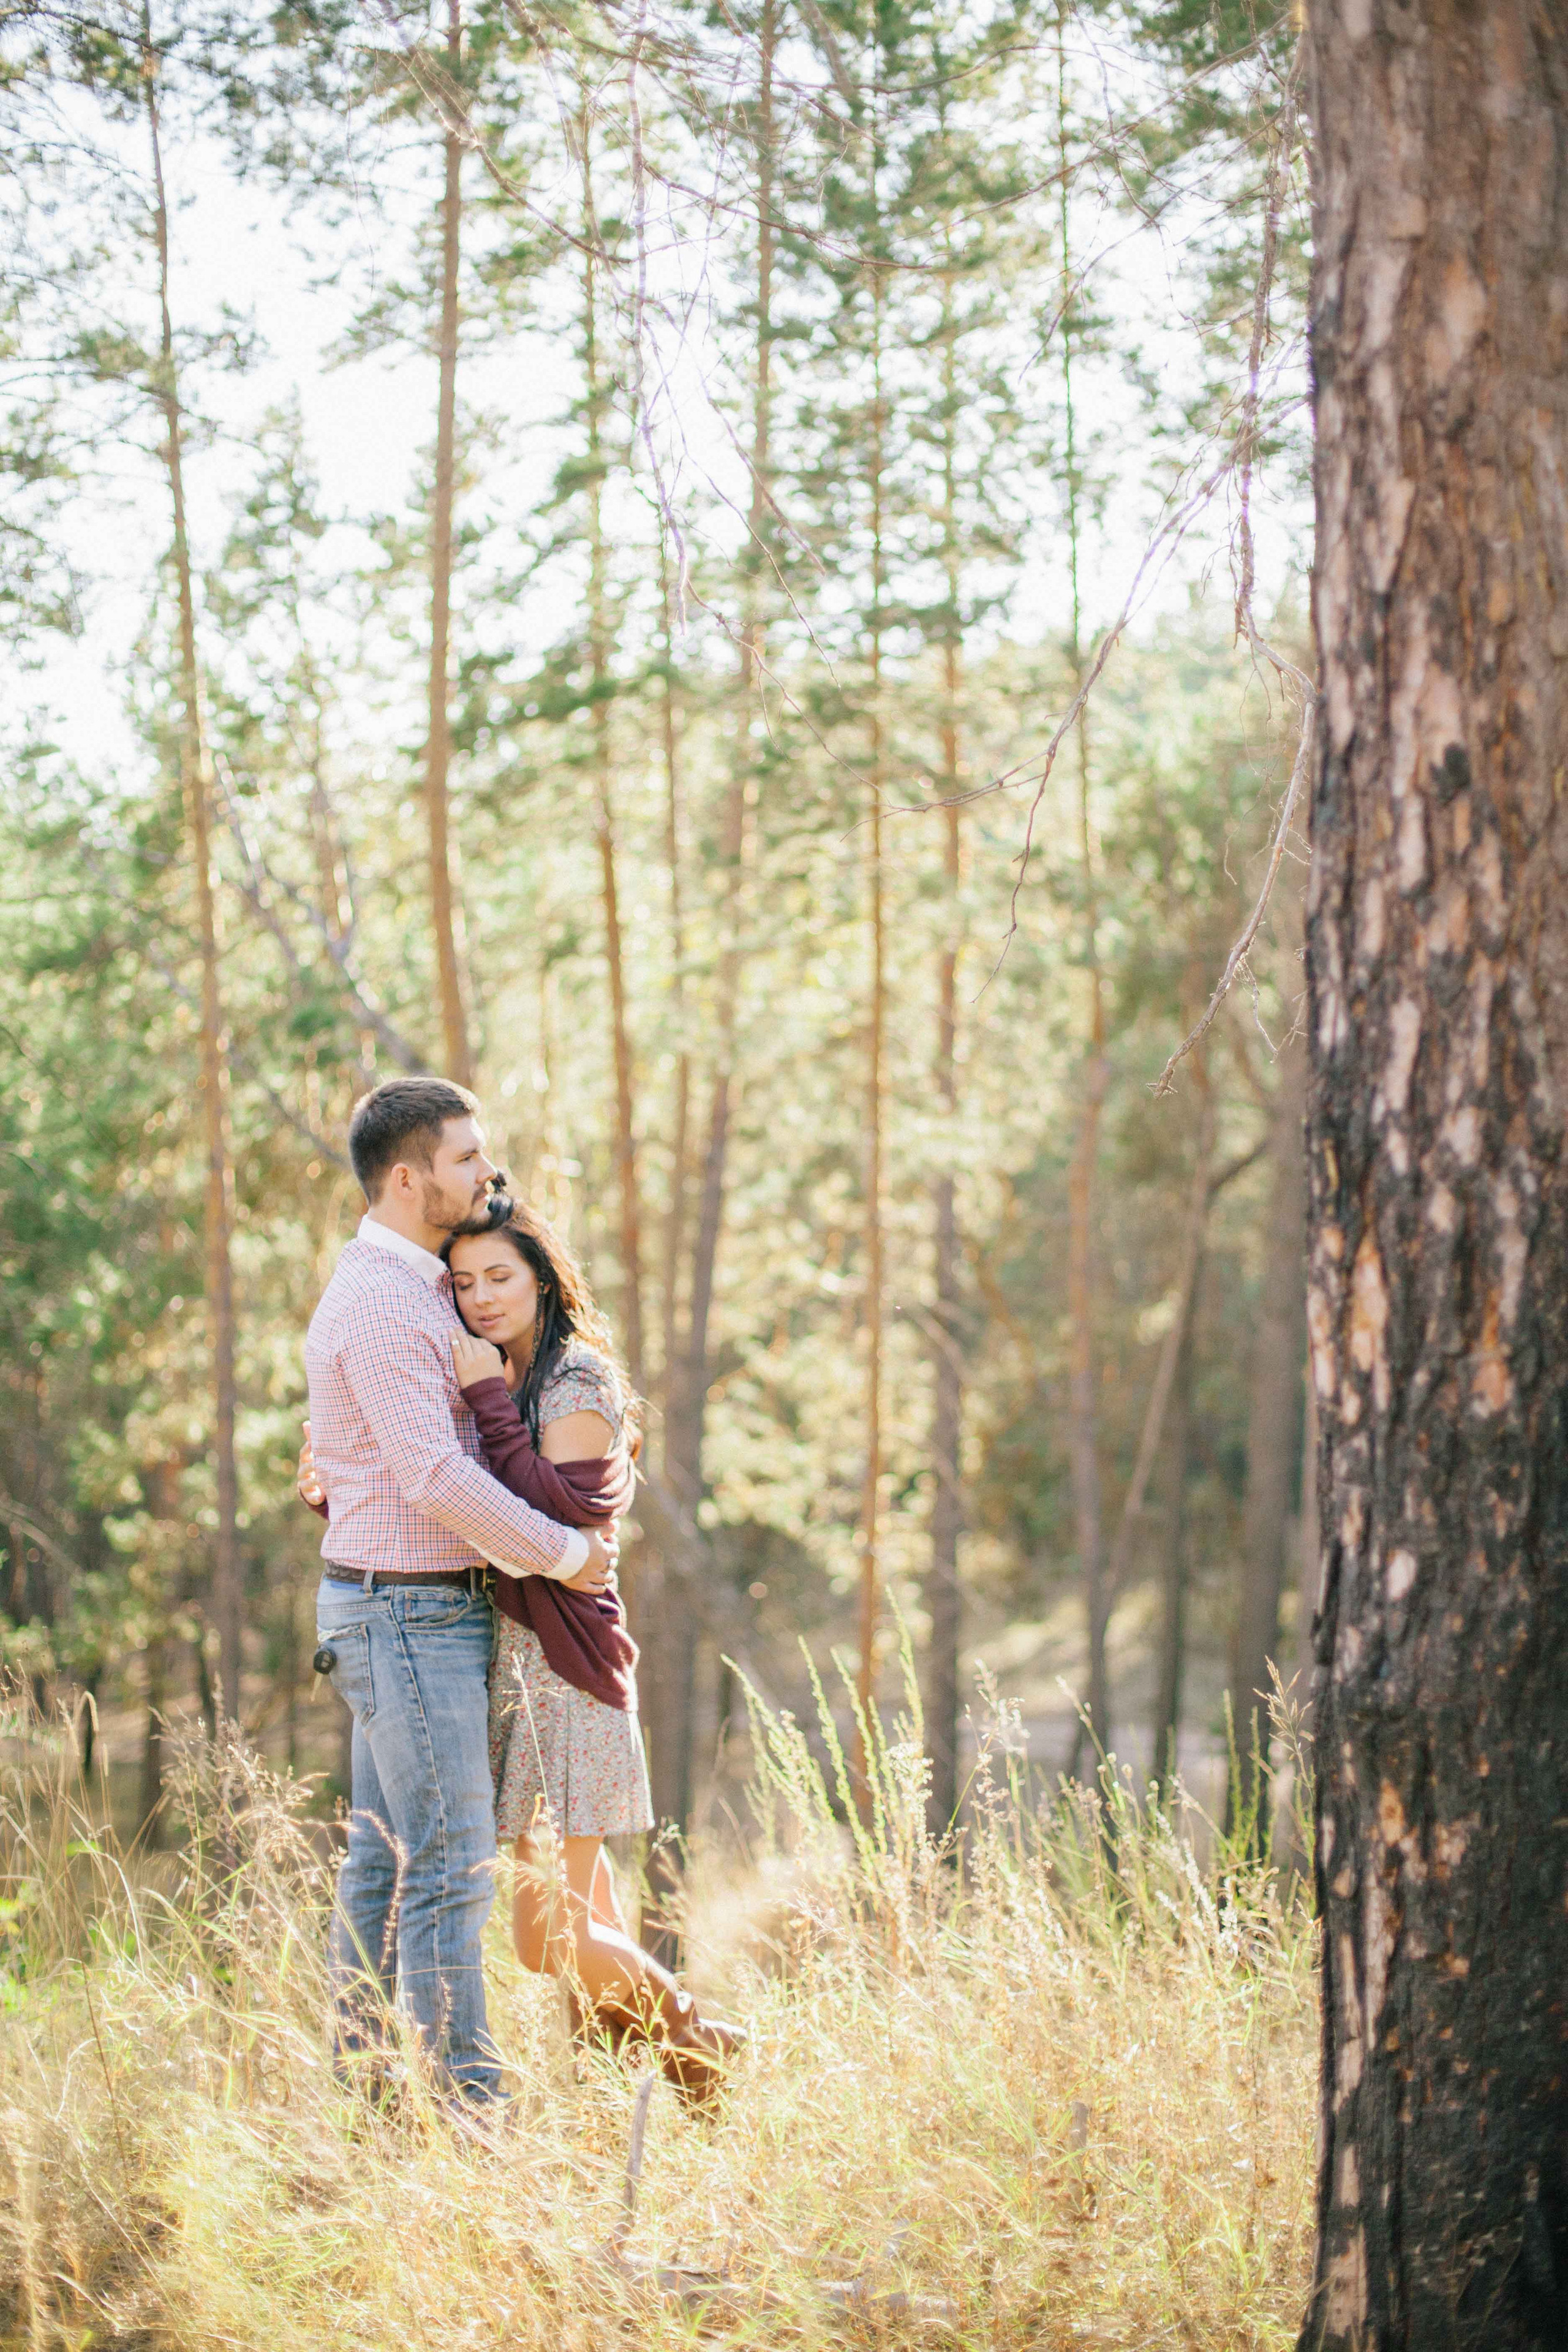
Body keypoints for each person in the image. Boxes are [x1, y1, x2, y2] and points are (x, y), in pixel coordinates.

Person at [303, 1076, 617, 2109]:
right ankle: (469, 2114)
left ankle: (364, 2102)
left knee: (387, 1868)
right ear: (409, 1178)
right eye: (467, 1159)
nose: (488, 1173)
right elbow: (437, 1479)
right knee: (448, 1866)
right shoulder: (387, 1302)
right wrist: (569, 1556)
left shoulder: (416, 1283)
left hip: (402, 1607)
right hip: (404, 1612)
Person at [443, 1197, 744, 2108]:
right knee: (582, 1924)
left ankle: (707, 2036)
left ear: (541, 1275)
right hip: (518, 1672)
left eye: (500, 1276)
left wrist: (487, 1400)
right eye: (463, 1283)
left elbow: (562, 1513)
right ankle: (648, 2089)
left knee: (549, 1940)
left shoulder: (576, 1379)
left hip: (568, 1670)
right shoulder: (504, 1373)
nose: (483, 1297)